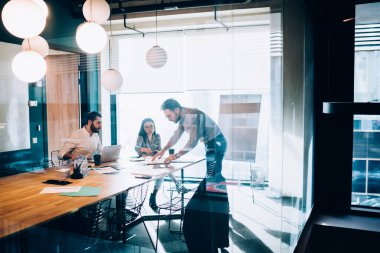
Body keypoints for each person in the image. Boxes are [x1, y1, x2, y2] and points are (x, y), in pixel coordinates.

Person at [152, 98, 229, 252]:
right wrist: (163, 150)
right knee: (212, 181)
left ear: (176, 110)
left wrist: (176, 156)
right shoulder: (182, 118)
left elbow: (193, 141)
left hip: (216, 144)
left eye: (169, 116)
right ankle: (215, 222)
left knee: (212, 181)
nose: (169, 119)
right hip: (211, 144)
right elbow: (175, 136)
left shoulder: (192, 115)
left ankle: (215, 221)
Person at [135, 118, 186, 210]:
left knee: (164, 170)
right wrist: (144, 149)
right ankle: (177, 184)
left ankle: (155, 194)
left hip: (154, 160)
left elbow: (160, 149)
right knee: (163, 170)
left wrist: (157, 151)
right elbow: (136, 148)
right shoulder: (141, 137)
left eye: (151, 126)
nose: (149, 129)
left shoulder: (157, 136)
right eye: (146, 127)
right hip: (145, 162)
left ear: (154, 127)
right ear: (143, 129)